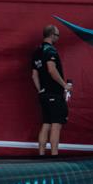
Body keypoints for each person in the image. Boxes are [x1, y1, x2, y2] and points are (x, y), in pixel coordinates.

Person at [31, 25, 72, 156]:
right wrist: (64, 85)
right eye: (57, 35)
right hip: (54, 93)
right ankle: (54, 156)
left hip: (43, 94)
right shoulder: (51, 51)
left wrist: (40, 90)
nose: (58, 38)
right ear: (52, 35)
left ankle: (41, 155)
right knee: (56, 124)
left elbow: (34, 75)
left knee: (46, 123)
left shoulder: (37, 51)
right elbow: (51, 69)